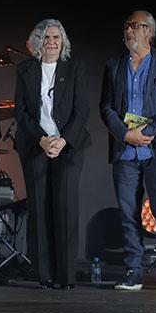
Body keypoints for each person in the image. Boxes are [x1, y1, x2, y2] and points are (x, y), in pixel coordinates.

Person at [99, 11, 156, 292]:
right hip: (125, 150)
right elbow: (106, 107)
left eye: (135, 26)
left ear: (149, 31)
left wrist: (146, 132)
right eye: (127, 26)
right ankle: (133, 271)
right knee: (128, 214)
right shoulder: (113, 65)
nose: (129, 31)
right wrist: (125, 134)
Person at [14, 19, 93, 289]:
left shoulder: (75, 68)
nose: (51, 42)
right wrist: (42, 139)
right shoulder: (26, 69)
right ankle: (44, 274)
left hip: (68, 145)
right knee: (39, 209)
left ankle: (67, 276)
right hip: (36, 144)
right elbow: (21, 111)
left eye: (56, 37)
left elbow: (82, 109)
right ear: (38, 41)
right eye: (46, 37)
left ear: (63, 41)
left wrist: (62, 140)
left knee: (65, 208)